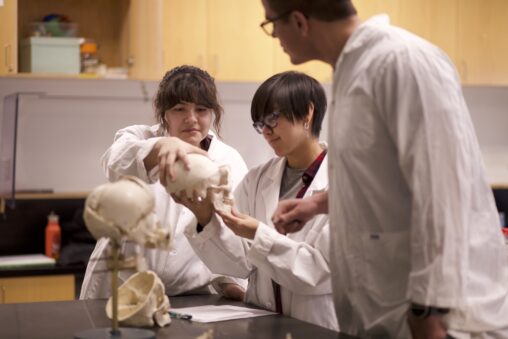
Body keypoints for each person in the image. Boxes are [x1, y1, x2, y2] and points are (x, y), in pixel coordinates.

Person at [262, 1, 508, 338]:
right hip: (387, 315)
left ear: (300, 21)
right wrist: (317, 205)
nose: (274, 34)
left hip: (440, 321)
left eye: (272, 23)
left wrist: (428, 312)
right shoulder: (353, 70)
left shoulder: (401, 62)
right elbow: (385, 176)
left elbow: (445, 192)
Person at [182, 71, 339, 331]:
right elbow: (239, 265)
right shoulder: (257, 180)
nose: (265, 132)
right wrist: (203, 218)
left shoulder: (342, 181)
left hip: (317, 326)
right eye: (259, 124)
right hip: (263, 324)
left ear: (307, 113)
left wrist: (257, 233)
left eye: (273, 120)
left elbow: (318, 272)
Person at [80, 65, 248, 300]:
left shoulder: (229, 161)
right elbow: (115, 162)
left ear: (213, 113)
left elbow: (233, 234)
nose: (191, 119)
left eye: (201, 109)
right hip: (120, 288)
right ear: (164, 113)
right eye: (180, 109)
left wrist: (232, 284)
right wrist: (161, 147)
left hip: (189, 298)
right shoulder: (140, 138)